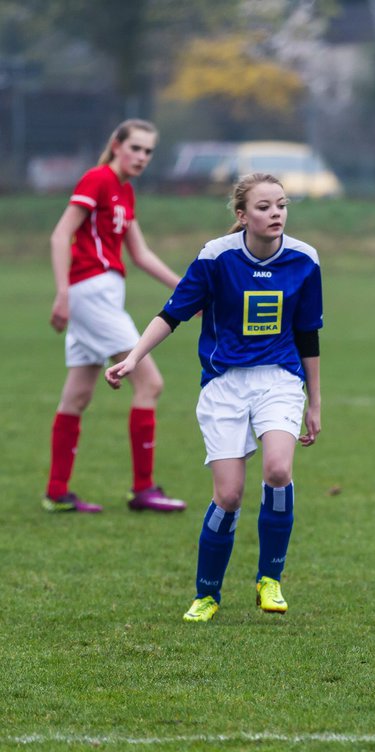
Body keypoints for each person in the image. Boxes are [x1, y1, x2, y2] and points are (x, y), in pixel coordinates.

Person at [105, 173, 323, 623]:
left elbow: (307, 335)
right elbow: (172, 314)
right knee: (228, 495)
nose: (276, 213)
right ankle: (207, 594)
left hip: (279, 378)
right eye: (264, 207)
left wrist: (315, 402)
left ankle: (269, 578)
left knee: (279, 470)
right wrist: (132, 358)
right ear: (242, 215)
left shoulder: (305, 259)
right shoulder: (215, 257)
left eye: (281, 205)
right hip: (224, 384)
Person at [45, 118, 187, 514]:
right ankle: (143, 489)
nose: (142, 156)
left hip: (101, 292)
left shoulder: (124, 191)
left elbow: (140, 254)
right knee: (150, 382)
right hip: (91, 291)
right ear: (117, 145)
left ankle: (57, 492)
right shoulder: (98, 179)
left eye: (148, 151)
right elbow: (60, 235)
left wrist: (186, 287)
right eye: (136, 148)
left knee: (77, 394)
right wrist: (62, 294)